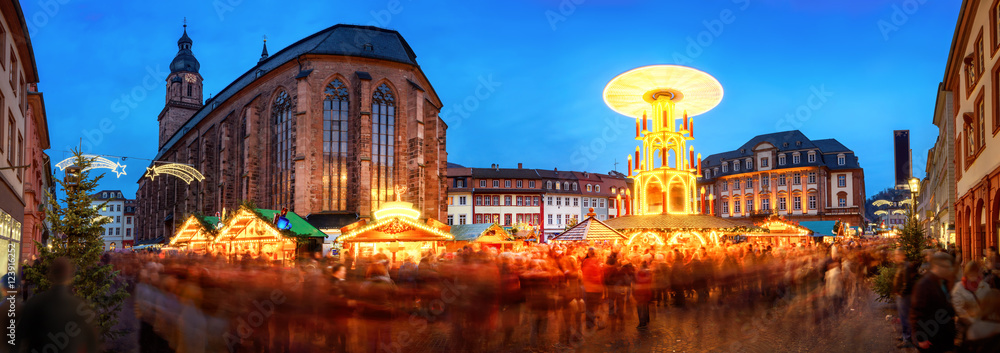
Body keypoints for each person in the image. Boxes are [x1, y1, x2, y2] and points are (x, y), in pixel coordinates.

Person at [18, 257, 99, 353]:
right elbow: (91, 343)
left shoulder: (35, 302)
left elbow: (18, 337)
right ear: (69, 277)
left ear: (51, 275)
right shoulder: (79, 306)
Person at [910, 252, 957, 353]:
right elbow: (916, 313)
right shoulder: (924, 285)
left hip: (941, 334)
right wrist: (921, 338)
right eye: (946, 267)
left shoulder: (943, 281)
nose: (950, 270)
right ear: (936, 266)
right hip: (931, 336)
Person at [952, 261, 991, 348]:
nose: (973, 277)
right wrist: (973, 321)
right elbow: (959, 309)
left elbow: (989, 304)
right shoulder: (959, 288)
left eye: (976, 274)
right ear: (966, 273)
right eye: (971, 274)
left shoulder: (985, 286)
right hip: (967, 328)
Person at [892, 249, 919, 348]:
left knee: (905, 317)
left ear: (902, 255)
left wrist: (901, 294)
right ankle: (904, 336)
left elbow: (907, 283)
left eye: (897, 254)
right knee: (903, 317)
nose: (895, 257)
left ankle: (907, 339)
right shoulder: (902, 265)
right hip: (901, 295)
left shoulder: (906, 266)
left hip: (904, 296)